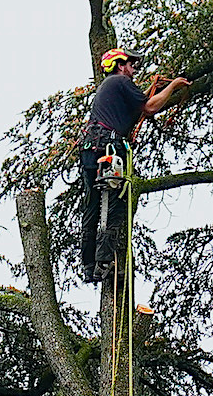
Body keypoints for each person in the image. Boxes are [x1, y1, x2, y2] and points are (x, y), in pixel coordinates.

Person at [77, 47, 190, 282]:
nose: (133, 69)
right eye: (130, 64)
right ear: (120, 65)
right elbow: (149, 107)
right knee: (116, 203)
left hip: (90, 148)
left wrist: (153, 90)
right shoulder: (120, 80)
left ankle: (88, 266)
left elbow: (140, 104)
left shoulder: (111, 87)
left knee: (92, 206)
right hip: (108, 147)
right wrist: (173, 86)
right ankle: (105, 263)